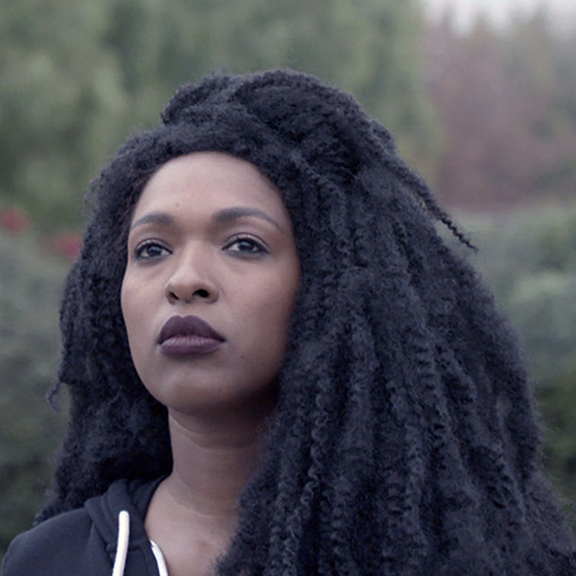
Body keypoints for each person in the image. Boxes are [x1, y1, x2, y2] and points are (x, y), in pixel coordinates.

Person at [2, 69, 575, 576]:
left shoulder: (442, 555)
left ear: (334, 286)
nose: (185, 279)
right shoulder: (50, 561)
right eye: (152, 250)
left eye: (244, 244)